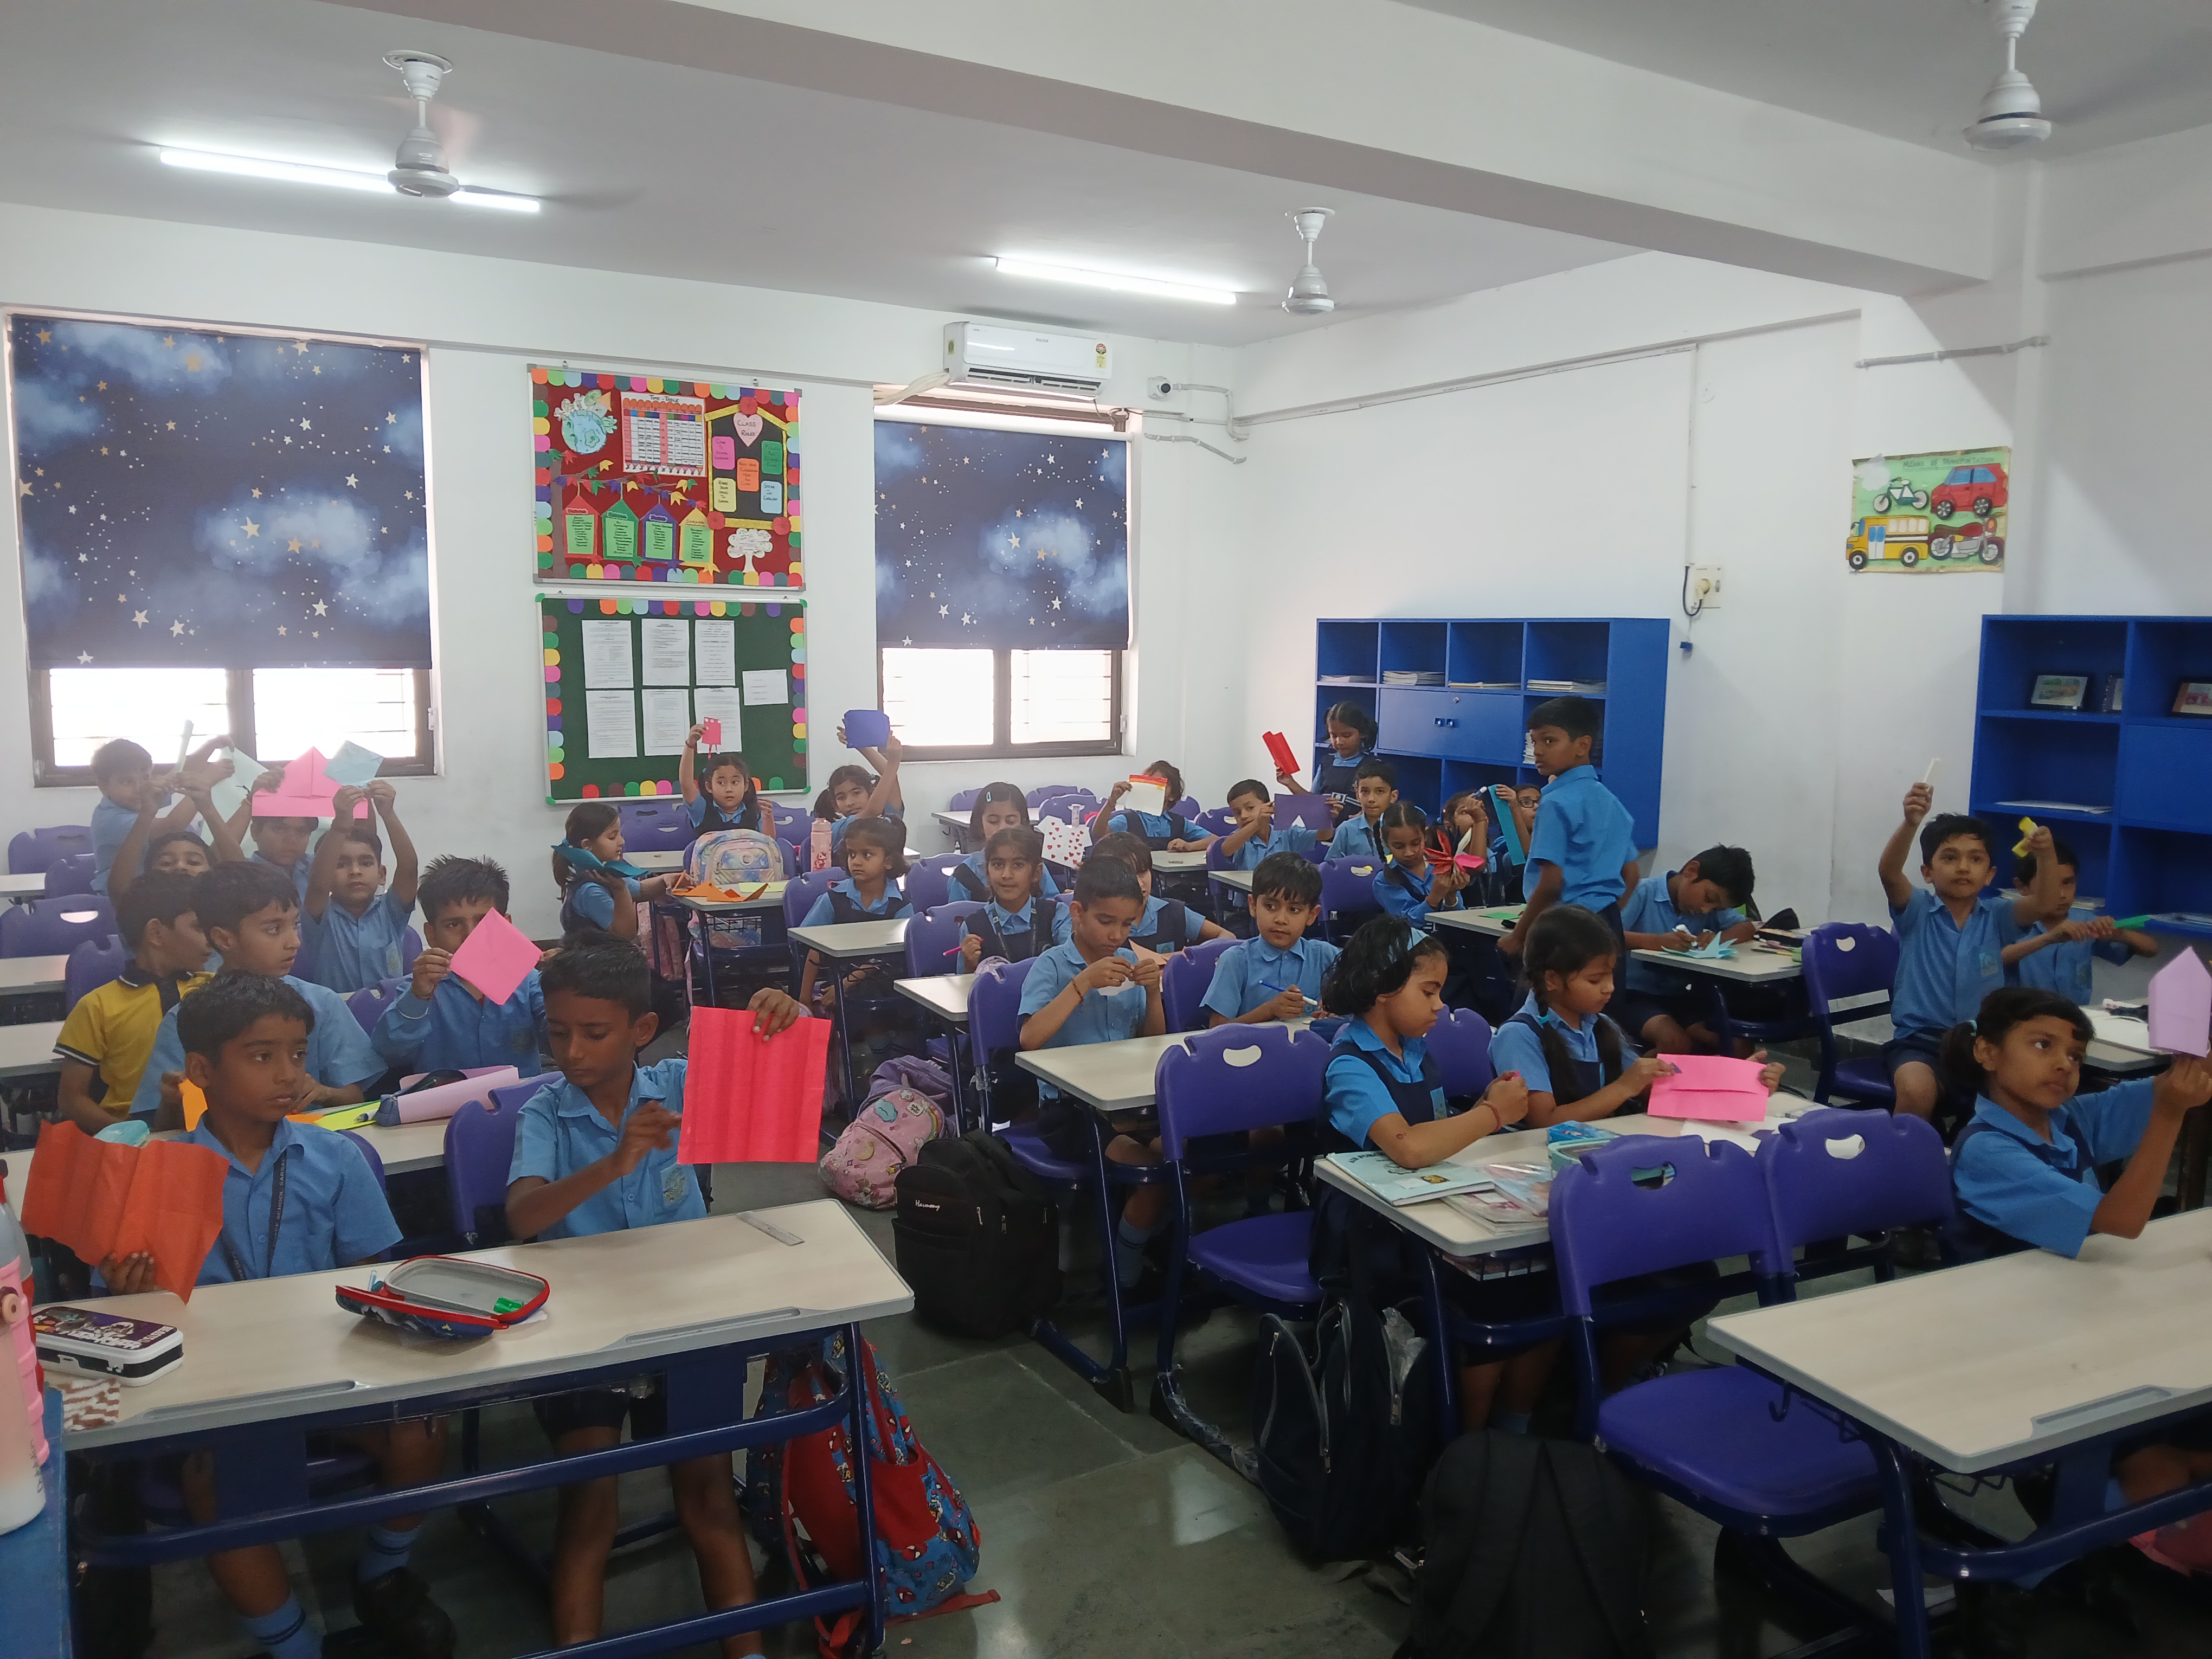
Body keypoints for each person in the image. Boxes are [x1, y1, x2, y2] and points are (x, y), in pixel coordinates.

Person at [98, 974, 452, 1659]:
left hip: (327, 1363)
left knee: (422, 1434)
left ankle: (381, 1577)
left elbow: (371, 1279)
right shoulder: (154, 1172)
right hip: (216, 1385)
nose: (289, 1074)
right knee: (214, 1481)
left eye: (297, 1054)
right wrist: (127, 1294)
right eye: (262, 1056)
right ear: (202, 1070)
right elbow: (122, 1322)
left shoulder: (334, 1156)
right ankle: (293, 1645)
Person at [504, 938, 773, 1657]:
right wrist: (615, 1162)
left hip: (684, 1317)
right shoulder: (544, 1113)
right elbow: (523, 1217)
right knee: (590, 1502)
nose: (572, 1052)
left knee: (709, 1496)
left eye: (594, 1033)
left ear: (642, 1030)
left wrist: (785, 1010)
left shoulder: (680, 1084)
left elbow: (777, 1077)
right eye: (558, 1033)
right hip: (584, 1330)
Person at [1940, 986, 2212, 1648]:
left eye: (2075, 1053)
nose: (2064, 1064)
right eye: (2043, 1045)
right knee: (2164, 1471)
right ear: (1987, 1053)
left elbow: (2167, 1089)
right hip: (2024, 1350)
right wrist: (2171, 1115)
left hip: (2093, 1322)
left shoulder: (2069, 1123)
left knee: (2189, 1447)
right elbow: (2123, 1220)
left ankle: (2114, 1513)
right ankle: (2033, 1566)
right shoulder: (1986, 1150)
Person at [1310, 916, 1552, 1432]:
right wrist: (1494, 1115)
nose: (1440, 1005)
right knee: (1489, 1297)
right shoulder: (1350, 1065)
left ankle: (1514, 1425)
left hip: (1426, 1210)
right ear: (1382, 988)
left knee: (1546, 1282)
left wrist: (1483, 1108)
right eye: (1429, 991)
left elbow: (1436, 1135)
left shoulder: (1417, 1052)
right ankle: (1466, 1441)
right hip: (1366, 1231)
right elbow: (1408, 1147)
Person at [130, 863, 387, 1124]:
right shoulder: (188, 1016)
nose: (295, 942)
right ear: (224, 939)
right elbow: (159, 1126)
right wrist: (171, 1102)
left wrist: (325, 1093)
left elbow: (360, 1098)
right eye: (274, 929)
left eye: (295, 925)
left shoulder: (322, 1003)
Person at [1019, 858, 1168, 1290]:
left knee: (1186, 1156)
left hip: (1129, 1104)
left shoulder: (1128, 961)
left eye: (1127, 924)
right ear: (1078, 912)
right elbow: (1029, 1039)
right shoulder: (1052, 966)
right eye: (1106, 921)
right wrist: (1082, 983)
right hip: (1068, 1112)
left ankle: (1149, 1245)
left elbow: (1152, 1044)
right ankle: (1124, 1277)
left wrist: (1153, 993)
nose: (1117, 936)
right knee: (1154, 1174)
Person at [1878, 783, 2060, 1122]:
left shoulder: (1999, 917)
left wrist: (2046, 856)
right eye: (1950, 858)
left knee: (2026, 1091)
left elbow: (2046, 903)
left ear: (1990, 875)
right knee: (1917, 1091)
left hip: (1982, 1043)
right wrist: (1911, 823)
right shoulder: (1917, 911)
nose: (1963, 867)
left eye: (1976, 859)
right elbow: (1889, 873)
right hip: (1921, 1042)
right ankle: (1900, 1153)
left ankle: (1978, 1151)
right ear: (1927, 872)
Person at [53, 874, 211, 1134]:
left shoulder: (216, 989)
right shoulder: (97, 1006)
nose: (211, 938)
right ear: (157, 933)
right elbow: (72, 1100)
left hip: (214, 1130)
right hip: (132, 1134)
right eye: (199, 928)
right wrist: (132, 1136)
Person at [1496, 698, 1638, 968]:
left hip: (1562, 925)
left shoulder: (1555, 803)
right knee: (1601, 991)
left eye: (1549, 741)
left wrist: (1518, 937)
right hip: (1606, 921)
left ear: (1582, 745)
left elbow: (1552, 884)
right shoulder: (1610, 800)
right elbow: (1631, 874)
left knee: (1549, 992)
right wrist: (1598, 915)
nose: (1538, 751)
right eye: (1534, 742)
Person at [374, 856, 548, 1075]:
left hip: (521, 1096)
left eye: (483, 921)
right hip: (445, 1097)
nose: (470, 935)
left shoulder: (530, 982)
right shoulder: (418, 989)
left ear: (506, 927)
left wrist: (565, 984)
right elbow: (389, 1053)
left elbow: (560, 1037)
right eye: (454, 924)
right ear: (431, 935)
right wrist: (418, 998)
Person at [1615, 847, 1759, 1053]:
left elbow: (1747, 928)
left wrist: (1718, 940)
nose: (1706, 910)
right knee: (1676, 1043)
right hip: (1633, 995)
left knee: (1740, 1046)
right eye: (1709, 898)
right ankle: (1633, 1073)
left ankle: (1698, 1071)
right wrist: (1658, 942)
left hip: (1679, 996)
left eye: (1717, 909)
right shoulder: (1643, 891)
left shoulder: (1707, 908)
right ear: (1692, 871)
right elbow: (1607, 934)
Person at [2002, 838, 2156, 1004]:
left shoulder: (2084, 921)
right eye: (2050, 884)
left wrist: (2119, 934)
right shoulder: (2010, 923)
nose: (2061, 894)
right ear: (2022, 887)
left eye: (2068, 883)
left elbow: (2151, 949)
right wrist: (2049, 938)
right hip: (2024, 1015)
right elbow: (1995, 960)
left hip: (2074, 1014)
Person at [300, 782, 419, 994]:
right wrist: (340, 826)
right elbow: (318, 885)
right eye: (341, 864)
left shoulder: (391, 912)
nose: (355, 871)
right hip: (337, 1011)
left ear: (382, 875)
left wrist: (388, 814)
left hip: (390, 1011)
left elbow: (409, 866)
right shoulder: (319, 918)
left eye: (366, 863)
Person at [1200, 852, 1339, 1024]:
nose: (1281, 919)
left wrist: (1338, 1008)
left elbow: (1362, 995)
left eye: (1294, 910)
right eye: (1270, 906)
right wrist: (1269, 1011)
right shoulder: (1235, 961)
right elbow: (1216, 1029)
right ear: (1253, 906)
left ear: (1312, 915)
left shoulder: (1326, 956)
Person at [88, 736, 232, 899]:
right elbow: (171, 826)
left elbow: (177, 774)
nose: (139, 788)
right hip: (122, 899)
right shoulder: (109, 819)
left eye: (145, 778)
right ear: (104, 786)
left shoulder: (137, 799)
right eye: (127, 782)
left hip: (153, 890)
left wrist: (210, 746)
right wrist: (207, 781)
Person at [795, 816, 909, 1011]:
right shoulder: (833, 900)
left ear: (889, 862)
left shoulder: (901, 906)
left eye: (867, 855)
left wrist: (846, 985)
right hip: (838, 980)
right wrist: (803, 1003)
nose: (856, 862)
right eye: (851, 854)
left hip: (884, 983)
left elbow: (889, 957)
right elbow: (812, 949)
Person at [1058, 833, 1230, 953]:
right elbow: (1070, 957)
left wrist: (1188, 958)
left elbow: (1227, 936)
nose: (1140, 883)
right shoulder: (1082, 915)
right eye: (1128, 875)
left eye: (1143, 872)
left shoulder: (1171, 911)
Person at [552, 802, 690, 942]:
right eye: (612, 837)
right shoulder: (590, 891)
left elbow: (641, 890)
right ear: (587, 845)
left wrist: (665, 880)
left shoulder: (602, 874)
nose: (622, 841)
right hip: (592, 955)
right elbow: (626, 934)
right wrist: (621, 890)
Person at [948, 782, 1060, 902]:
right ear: (980, 824)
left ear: (1022, 824)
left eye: (1011, 821)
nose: (1002, 828)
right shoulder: (965, 875)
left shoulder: (1035, 866)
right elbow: (956, 913)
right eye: (993, 821)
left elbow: (1054, 904)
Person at [959, 826, 1051, 967]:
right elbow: (964, 980)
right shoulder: (972, 926)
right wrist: (969, 964)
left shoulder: (1056, 917)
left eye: (1018, 865)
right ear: (988, 873)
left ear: (1036, 873)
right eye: (998, 865)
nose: (1006, 875)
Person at [1277, 701, 1378, 823]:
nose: (1339, 742)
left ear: (1363, 733)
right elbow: (1313, 801)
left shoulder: (1373, 767)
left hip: (1356, 831)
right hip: (1327, 831)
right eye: (1334, 736)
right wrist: (1290, 782)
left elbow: (1383, 805)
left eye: (1346, 736)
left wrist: (1368, 815)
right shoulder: (1326, 763)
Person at [814, 724, 904, 860]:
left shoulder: (888, 820)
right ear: (835, 805)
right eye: (841, 797)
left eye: (856, 793)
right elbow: (872, 812)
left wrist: (860, 744)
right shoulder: (838, 828)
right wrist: (894, 762)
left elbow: (892, 779)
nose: (850, 803)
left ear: (871, 793)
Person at [1373, 803, 1469, 924]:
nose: (1409, 853)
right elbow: (1406, 923)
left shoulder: (1442, 866)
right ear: (1386, 843)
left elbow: (1458, 921)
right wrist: (1434, 898)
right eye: (1399, 846)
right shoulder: (1384, 881)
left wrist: (1451, 895)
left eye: (1415, 843)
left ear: (1425, 836)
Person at [1218, 777, 1334, 873]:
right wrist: (1257, 823)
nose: (1243, 816)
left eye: (1250, 808)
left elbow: (1324, 835)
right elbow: (1226, 849)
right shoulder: (1242, 839)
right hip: (1251, 894)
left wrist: (1326, 816)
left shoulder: (1286, 833)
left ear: (1269, 806)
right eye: (1237, 813)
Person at [1093, 761, 1210, 851]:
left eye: (1159, 785)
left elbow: (1213, 840)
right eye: (1148, 784)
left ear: (1172, 795)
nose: (1153, 789)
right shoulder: (1129, 819)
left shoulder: (1179, 823)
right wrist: (1111, 801)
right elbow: (1099, 833)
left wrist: (1189, 846)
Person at [678, 724, 763, 835]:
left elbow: (768, 841)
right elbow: (687, 785)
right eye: (721, 783)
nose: (729, 789)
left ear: (746, 786)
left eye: (735, 782)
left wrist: (768, 818)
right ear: (709, 787)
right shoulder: (702, 811)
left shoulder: (755, 813)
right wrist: (690, 745)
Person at [1324, 758, 1398, 865]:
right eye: (1365, 792)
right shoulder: (1346, 830)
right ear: (1358, 795)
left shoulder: (1400, 829)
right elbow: (1332, 867)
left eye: (1380, 791)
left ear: (1393, 796)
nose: (1371, 799)